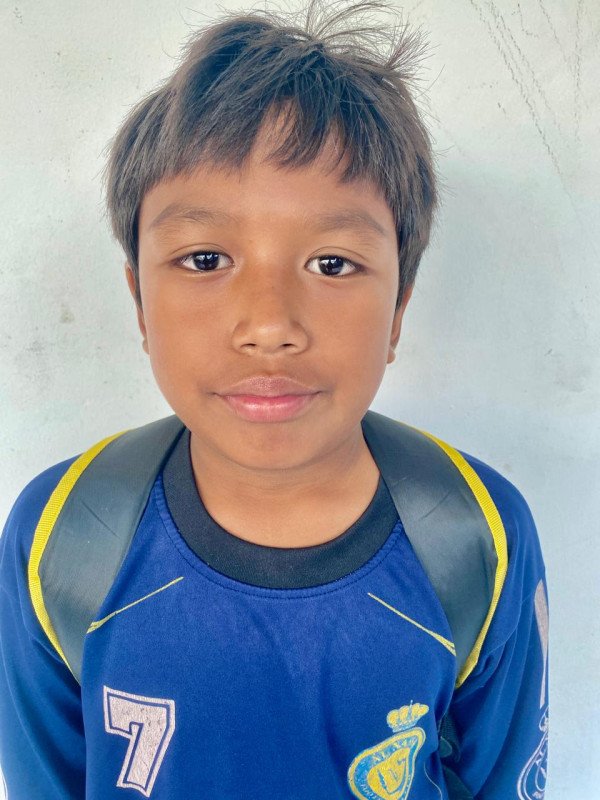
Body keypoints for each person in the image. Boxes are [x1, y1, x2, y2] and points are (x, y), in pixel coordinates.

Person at [0, 1, 548, 798]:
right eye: (205, 258)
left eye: (332, 264)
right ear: (139, 302)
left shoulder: (476, 537)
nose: (268, 327)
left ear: (399, 308)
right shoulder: (63, 535)